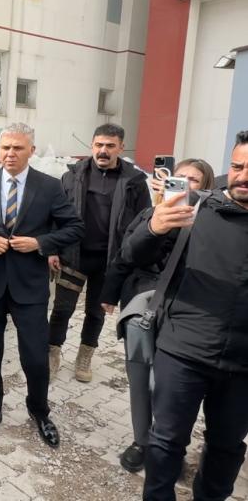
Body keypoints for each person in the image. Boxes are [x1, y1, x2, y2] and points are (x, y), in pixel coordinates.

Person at [121, 132, 248, 501]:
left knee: (226, 449)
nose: (242, 176)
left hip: (243, 365)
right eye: (237, 166)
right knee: (165, 442)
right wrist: (154, 228)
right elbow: (133, 255)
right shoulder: (194, 208)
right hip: (183, 350)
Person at [0, 123, 84, 448]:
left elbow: (75, 227)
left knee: (34, 357)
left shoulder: (49, 187)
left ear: (31, 150)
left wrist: (40, 243)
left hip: (29, 287)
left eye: (17, 148)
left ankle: (39, 411)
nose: (10, 154)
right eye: (5, 148)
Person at [100, 157, 215, 473]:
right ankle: (142, 440)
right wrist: (109, 294)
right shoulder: (149, 215)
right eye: (179, 178)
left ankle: (170, 447)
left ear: (207, 189)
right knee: (141, 380)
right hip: (142, 307)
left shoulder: (211, 224)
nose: (185, 184)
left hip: (186, 311)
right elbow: (125, 256)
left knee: (174, 385)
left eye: (194, 180)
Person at [47, 124, 151, 382]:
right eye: (99, 145)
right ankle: (52, 352)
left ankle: (85, 355)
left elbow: (143, 221)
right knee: (62, 309)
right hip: (73, 256)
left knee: (96, 312)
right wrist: (52, 249)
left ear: (121, 148)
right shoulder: (72, 176)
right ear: (92, 145)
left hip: (110, 262)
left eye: (110, 146)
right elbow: (56, 215)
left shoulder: (134, 183)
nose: (103, 151)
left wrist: (131, 260)